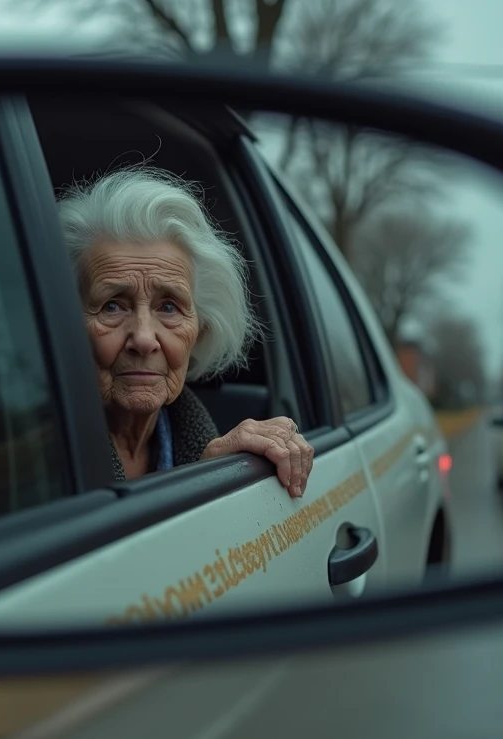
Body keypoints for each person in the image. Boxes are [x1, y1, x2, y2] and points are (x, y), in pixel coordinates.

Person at [57, 167, 314, 499]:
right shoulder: (30, 464)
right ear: (64, 323)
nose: (145, 339)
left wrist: (212, 472)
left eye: (168, 308)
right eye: (112, 306)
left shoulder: (212, 450)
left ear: (201, 330)